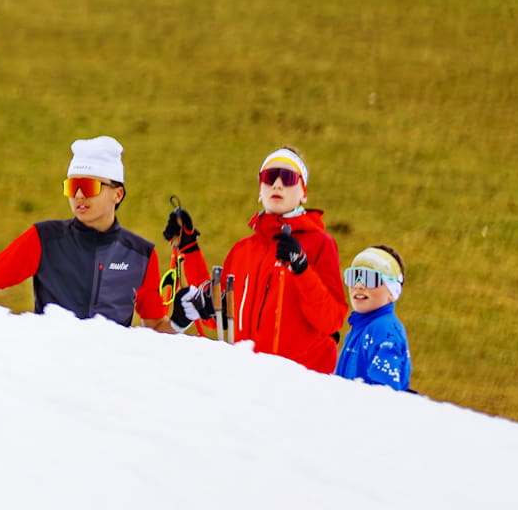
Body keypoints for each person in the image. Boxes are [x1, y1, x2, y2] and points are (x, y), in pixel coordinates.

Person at [0, 135, 198, 331]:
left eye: (89, 186)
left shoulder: (141, 254)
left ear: (117, 194)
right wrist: (13, 346)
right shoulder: (44, 238)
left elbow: (155, 327)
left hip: (109, 372)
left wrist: (180, 320)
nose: (79, 196)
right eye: (73, 186)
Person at [168, 146, 347, 372]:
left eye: (288, 178)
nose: (278, 184)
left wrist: (301, 267)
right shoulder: (243, 250)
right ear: (260, 191)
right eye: (270, 177)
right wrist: (188, 247)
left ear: (303, 193)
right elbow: (216, 314)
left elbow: (331, 320)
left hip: (302, 378)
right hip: (249, 376)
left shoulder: (320, 244)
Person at [335, 244, 413, 391]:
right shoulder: (358, 329)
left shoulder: (383, 329)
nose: (358, 285)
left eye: (369, 278)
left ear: (393, 291)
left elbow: (385, 393)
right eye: (353, 276)